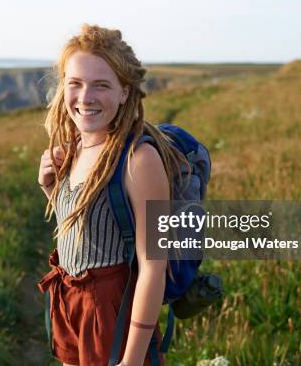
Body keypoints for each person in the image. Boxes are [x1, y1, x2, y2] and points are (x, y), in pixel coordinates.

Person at [37, 24, 189, 366]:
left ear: (125, 92)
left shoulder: (139, 159)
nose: (85, 97)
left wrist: (132, 359)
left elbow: (153, 266)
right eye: (74, 83)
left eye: (101, 85)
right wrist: (51, 188)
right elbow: (86, 230)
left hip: (113, 311)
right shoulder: (74, 148)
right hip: (69, 298)